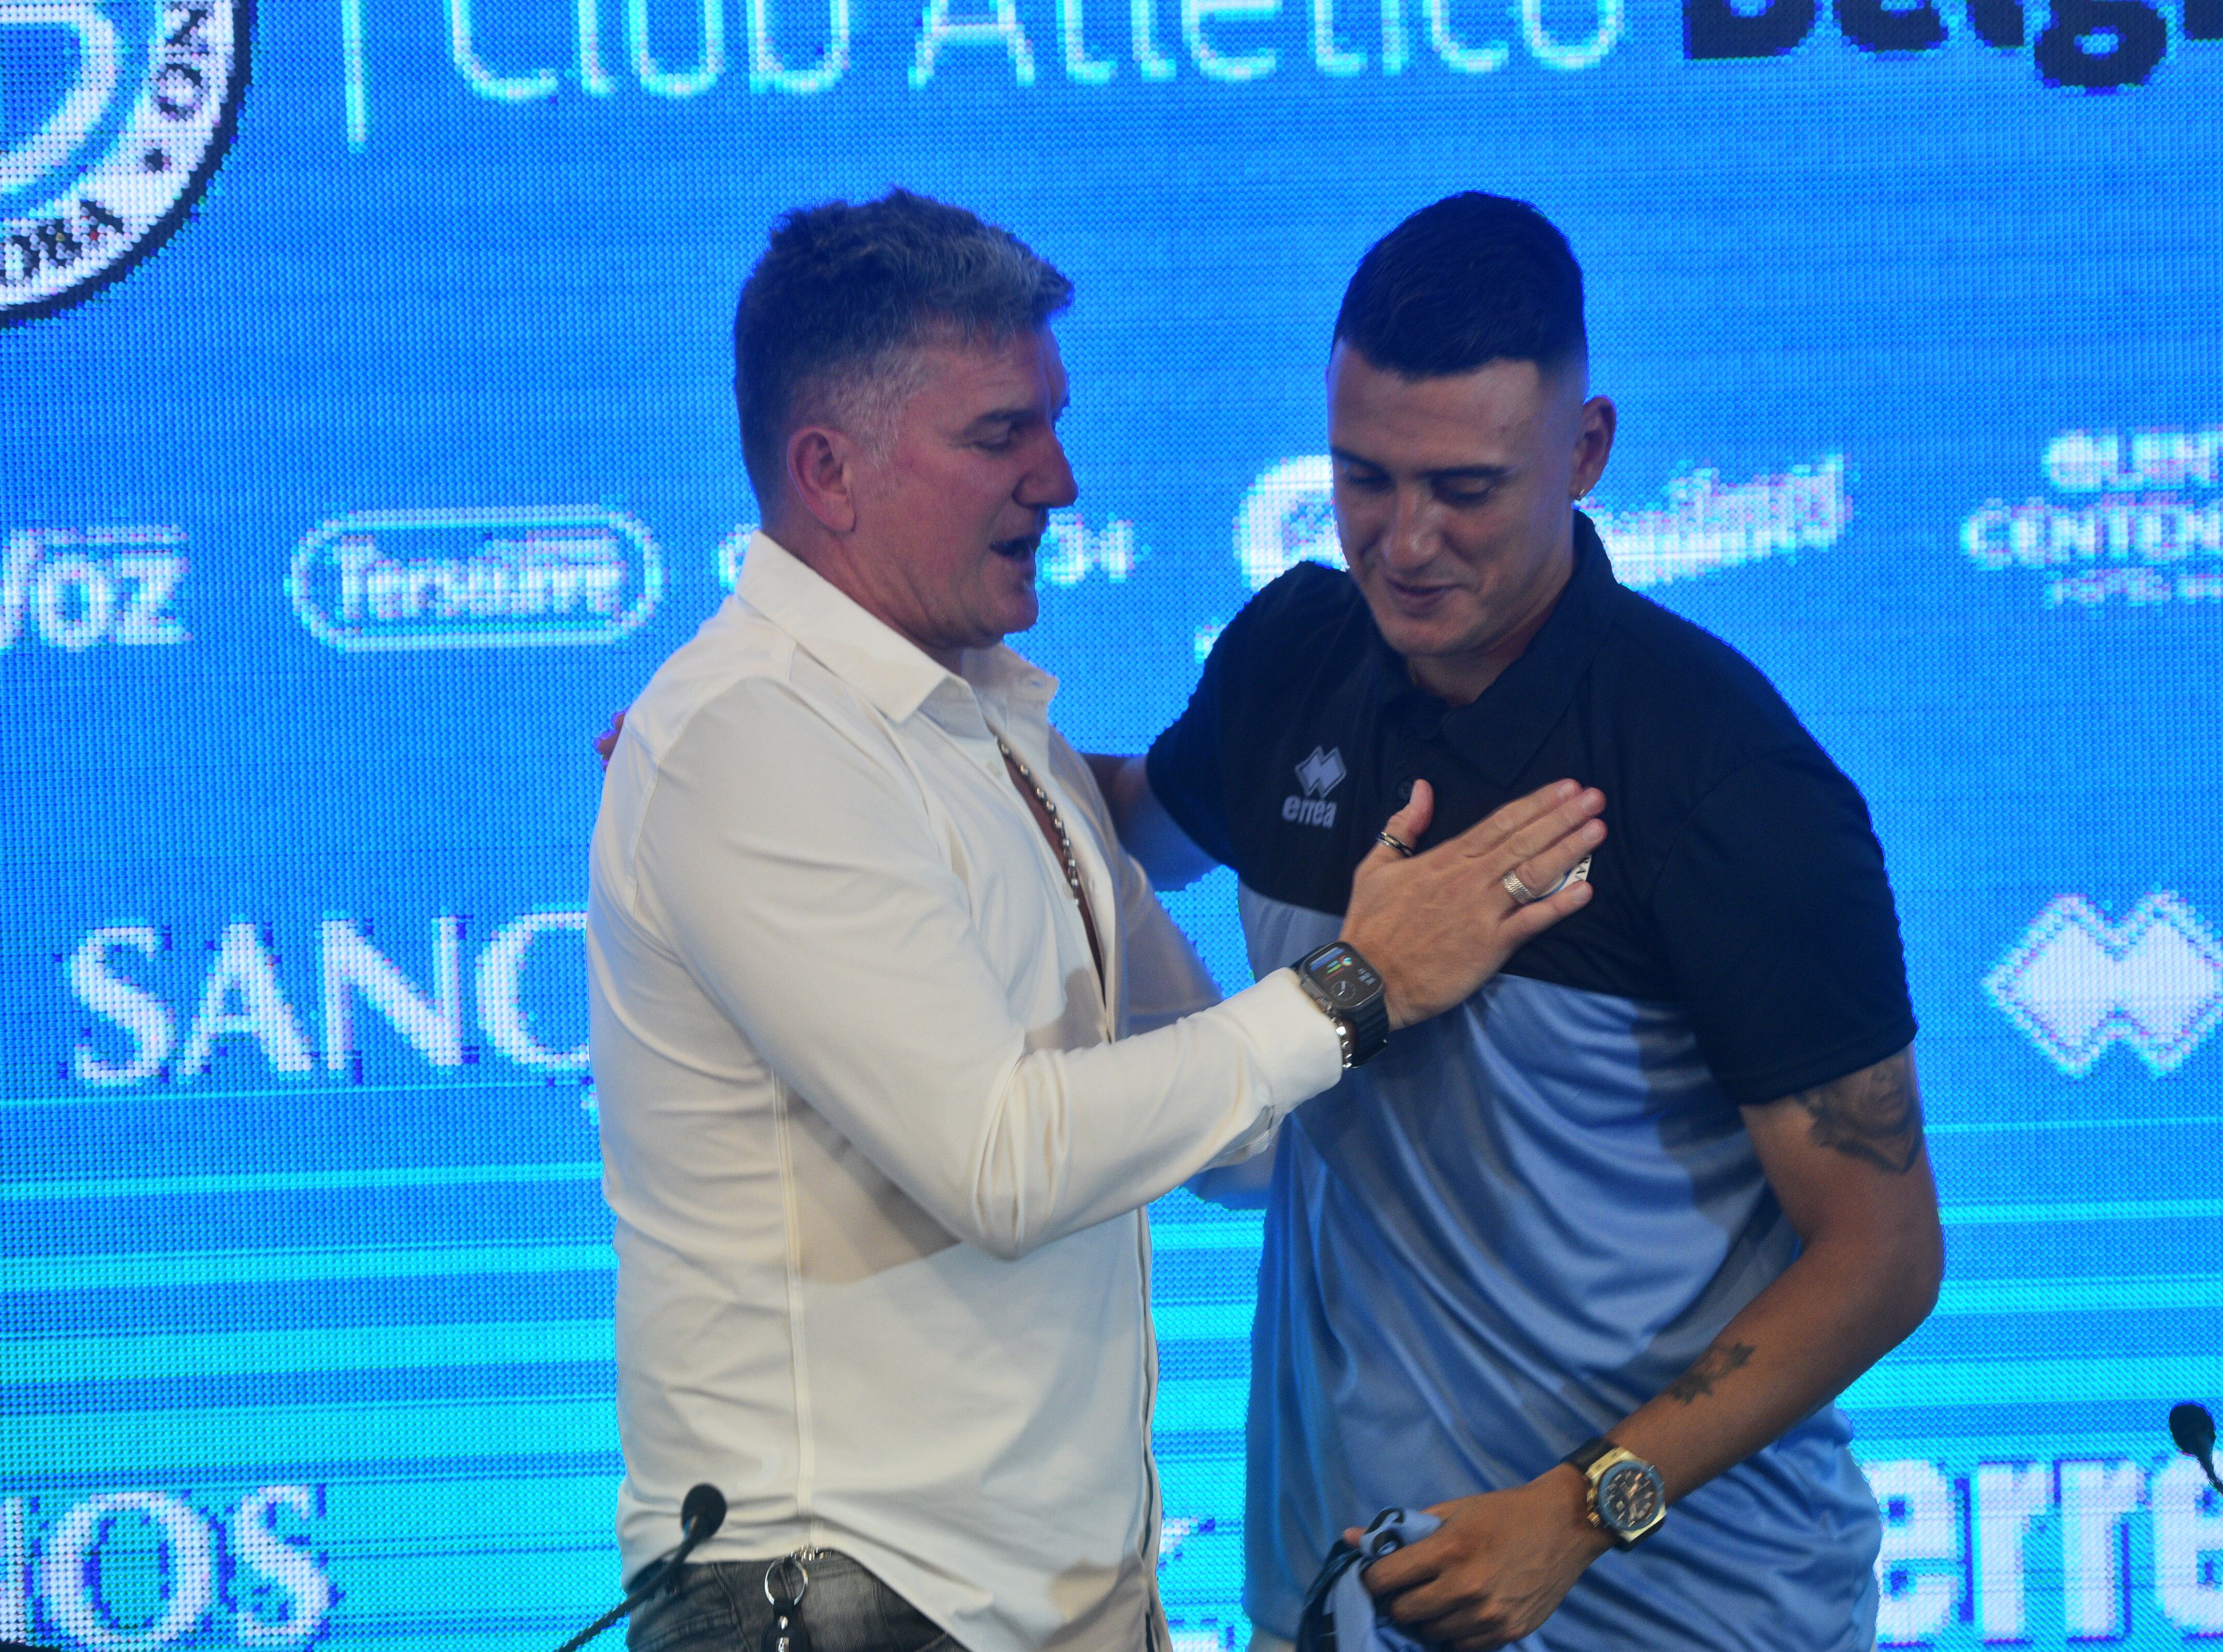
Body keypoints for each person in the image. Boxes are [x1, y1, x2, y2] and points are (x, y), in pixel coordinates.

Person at [585, 190, 1607, 1652]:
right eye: (1000, 435)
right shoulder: (749, 743)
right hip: (836, 1602)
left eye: (1052, 424)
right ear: (829, 471)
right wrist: (1361, 979)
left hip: (1055, 1606)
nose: (1059, 480)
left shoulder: (992, 731)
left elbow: (1241, 1130)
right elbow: (1001, 1161)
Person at [1094, 193, 1943, 1651]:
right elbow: (1117, 826)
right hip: (1358, 1599)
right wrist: (848, 744)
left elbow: (1881, 1252)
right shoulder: (1293, 657)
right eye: (1363, 477)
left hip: (1689, 1609)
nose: (1404, 541)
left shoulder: (1722, 775)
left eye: (1466, 488)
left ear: (1588, 452)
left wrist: (1580, 1506)